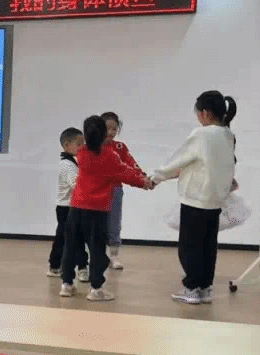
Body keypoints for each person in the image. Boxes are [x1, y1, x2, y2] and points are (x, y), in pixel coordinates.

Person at [151, 91, 238, 305]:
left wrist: (155, 177)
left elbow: (179, 160)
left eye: (198, 113)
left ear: (206, 113)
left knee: (190, 247)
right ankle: (205, 288)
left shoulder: (202, 134)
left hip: (196, 199)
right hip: (215, 201)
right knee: (208, 246)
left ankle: (192, 288)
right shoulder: (228, 135)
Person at [61, 115, 152, 302]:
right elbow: (126, 173)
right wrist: (145, 182)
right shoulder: (109, 156)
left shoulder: (82, 153)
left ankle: (67, 285)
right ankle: (96, 289)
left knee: (70, 247)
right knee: (97, 250)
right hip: (97, 211)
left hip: (76, 208)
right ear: (103, 133)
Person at [100, 111, 144, 271]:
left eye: (114, 129)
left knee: (114, 222)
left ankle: (114, 255)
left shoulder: (119, 147)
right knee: (96, 223)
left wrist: (142, 177)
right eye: (108, 128)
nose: (111, 132)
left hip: (115, 190)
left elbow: (131, 164)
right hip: (96, 190)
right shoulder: (92, 147)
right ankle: (97, 255)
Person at [48, 126, 88, 281]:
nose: (82, 147)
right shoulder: (67, 165)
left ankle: (67, 266)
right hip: (67, 208)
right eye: (79, 144)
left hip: (71, 207)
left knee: (71, 237)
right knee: (70, 238)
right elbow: (75, 184)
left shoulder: (73, 162)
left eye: (83, 143)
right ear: (66, 145)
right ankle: (78, 267)